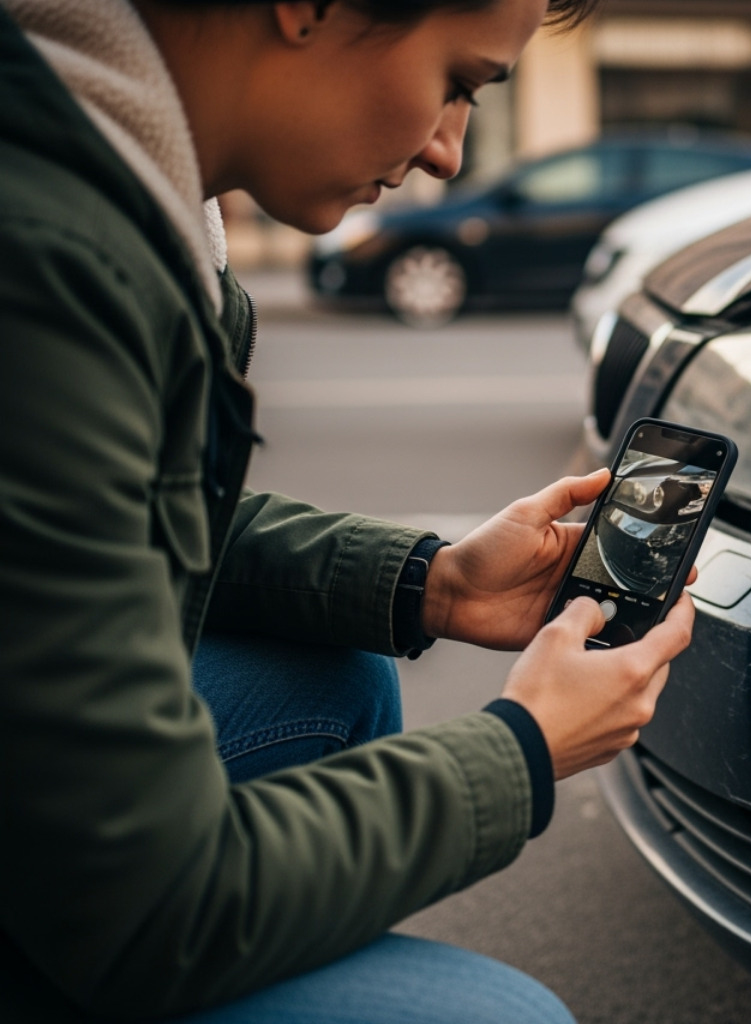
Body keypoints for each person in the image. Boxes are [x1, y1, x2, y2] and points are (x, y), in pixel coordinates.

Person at [0, 1, 693, 1021]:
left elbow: (117, 532)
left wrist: (431, 581)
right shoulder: (51, 255)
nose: (452, 153)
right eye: (458, 81)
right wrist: (524, 750)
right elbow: (145, 905)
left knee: (334, 672)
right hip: (102, 895)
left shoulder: (133, 186)